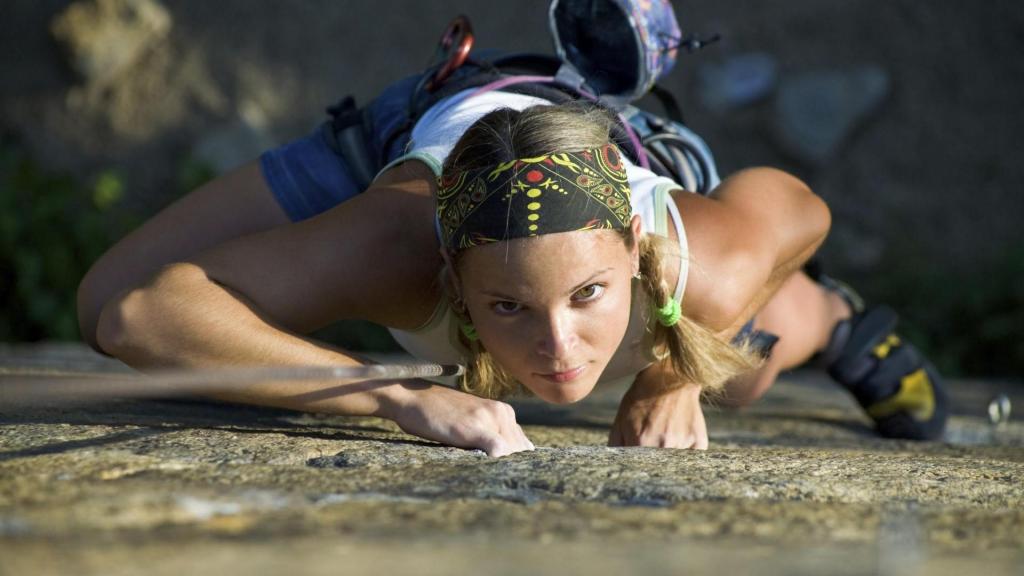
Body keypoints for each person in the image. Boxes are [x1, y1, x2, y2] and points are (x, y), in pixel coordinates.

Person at [76, 2, 947, 457]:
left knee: (740, 372)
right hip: (410, 132)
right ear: (450, 281)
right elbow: (133, 314)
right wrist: (394, 395)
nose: (560, 348)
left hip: (601, 160)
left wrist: (684, 367)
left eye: (588, 295)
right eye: (508, 307)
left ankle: (841, 325)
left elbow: (798, 207)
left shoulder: (694, 262)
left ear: (638, 254)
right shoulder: (393, 248)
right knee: (95, 301)